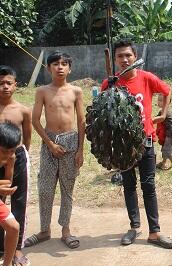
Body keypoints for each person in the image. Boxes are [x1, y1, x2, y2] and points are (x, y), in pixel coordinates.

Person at [101, 39, 172, 249]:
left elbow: (166, 90)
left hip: (147, 139)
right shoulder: (110, 83)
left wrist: (163, 113)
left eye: (128, 55)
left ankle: (155, 232)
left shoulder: (146, 78)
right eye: (120, 56)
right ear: (115, 60)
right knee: (128, 185)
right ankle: (134, 227)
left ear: (135, 57)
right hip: (123, 145)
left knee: (148, 185)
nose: (125, 59)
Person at [25, 51, 85, 249]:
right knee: (45, 189)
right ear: (48, 68)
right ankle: (44, 230)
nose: (60, 67)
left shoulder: (76, 91)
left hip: (71, 141)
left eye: (64, 63)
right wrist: (50, 144)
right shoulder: (42, 91)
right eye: (56, 64)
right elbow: (35, 120)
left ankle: (65, 230)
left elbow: (81, 120)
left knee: (67, 189)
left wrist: (80, 150)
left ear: (70, 68)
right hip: (49, 142)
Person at [0, 65, 31, 266]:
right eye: (0, 83)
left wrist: (18, 157)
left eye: (8, 83)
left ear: (15, 85)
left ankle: (17, 248)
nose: (4, 87)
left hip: (17, 157)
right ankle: (3, 248)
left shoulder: (23, 110)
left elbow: (27, 138)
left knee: (19, 202)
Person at [0, 122, 22, 266]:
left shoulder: (11, 158)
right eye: (4, 151)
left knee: (14, 227)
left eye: (12, 151)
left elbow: (7, 182)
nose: (8, 155)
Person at [155, 94, 172, 170]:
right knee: (165, 148)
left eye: (161, 100)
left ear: (167, 102)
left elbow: (156, 119)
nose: (159, 102)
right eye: (158, 100)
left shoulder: (163, 112)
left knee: (167, 151)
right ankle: (163, 162)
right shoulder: (168, 110)